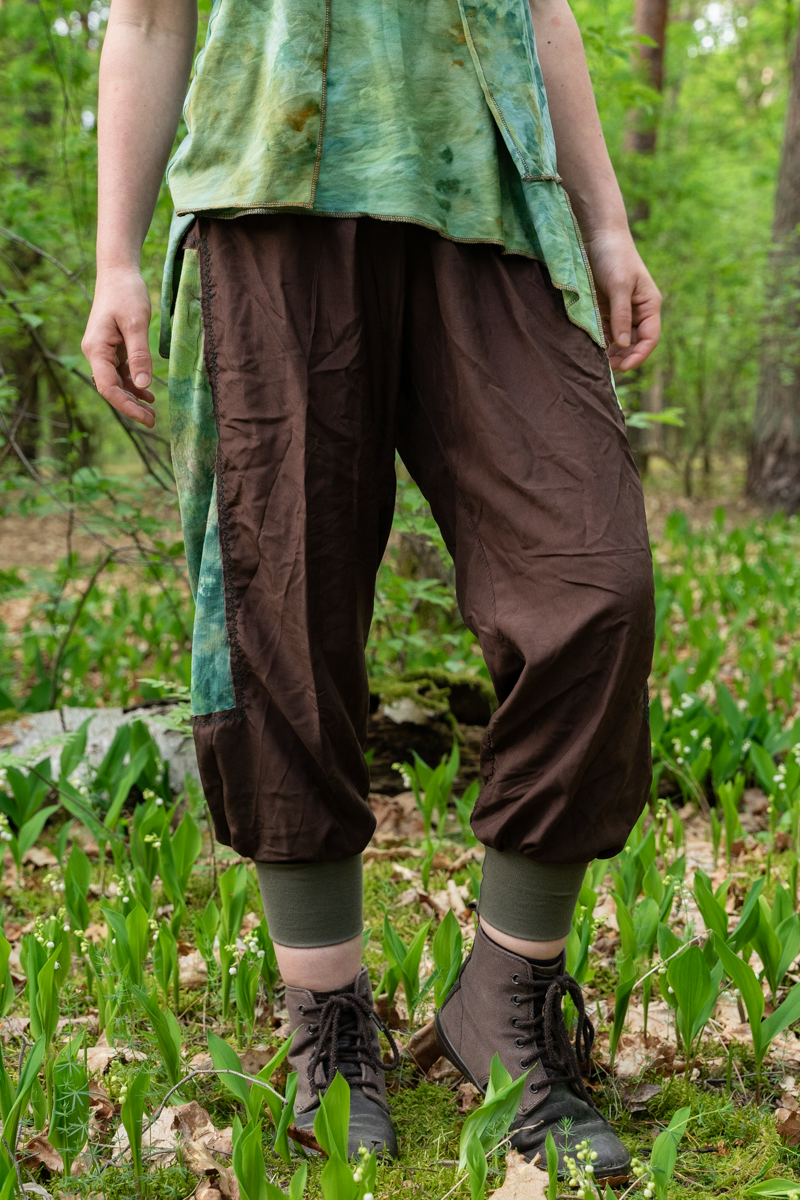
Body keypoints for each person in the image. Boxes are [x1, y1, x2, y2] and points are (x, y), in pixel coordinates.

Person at [82, 0, 660, 1178]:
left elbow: (542, 9)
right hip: (264, 193)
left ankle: (505, 1001)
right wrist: (115, 259)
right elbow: (146, 20)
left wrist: (605, 224)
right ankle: (327, 1022)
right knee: (278, 619)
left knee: (594, 583)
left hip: (493, 204)